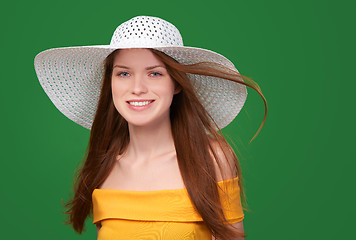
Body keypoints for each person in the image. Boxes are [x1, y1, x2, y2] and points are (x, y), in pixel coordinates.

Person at [34, 16, 266, 240]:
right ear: (110, 83)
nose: (137, 88)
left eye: (154, 73)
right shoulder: (104, 168)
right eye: (124, 73)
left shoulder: (212, 159)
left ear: (175, 83)